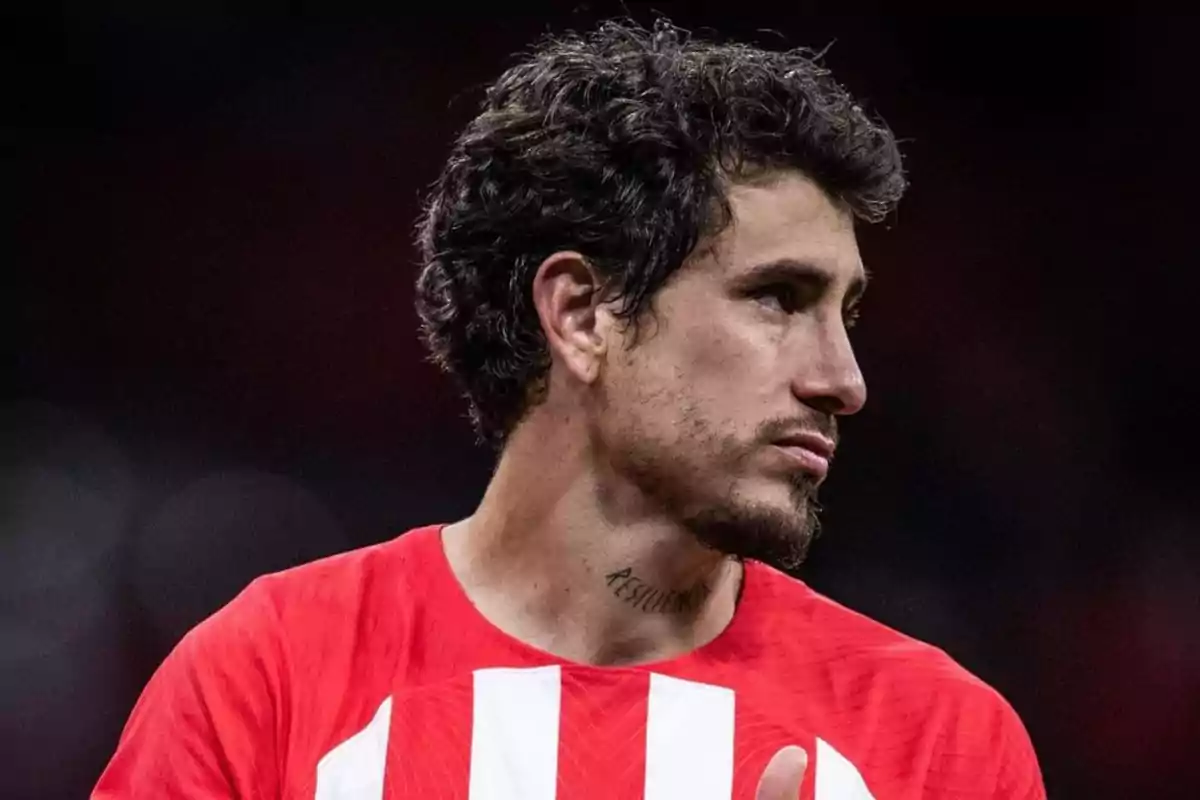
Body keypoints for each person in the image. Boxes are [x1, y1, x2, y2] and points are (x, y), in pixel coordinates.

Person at [93, 18, 1045, 799]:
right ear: (583, 315)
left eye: (846, 312)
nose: (843, 379)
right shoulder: (268, 684)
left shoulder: (940, 746)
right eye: (778, 299)